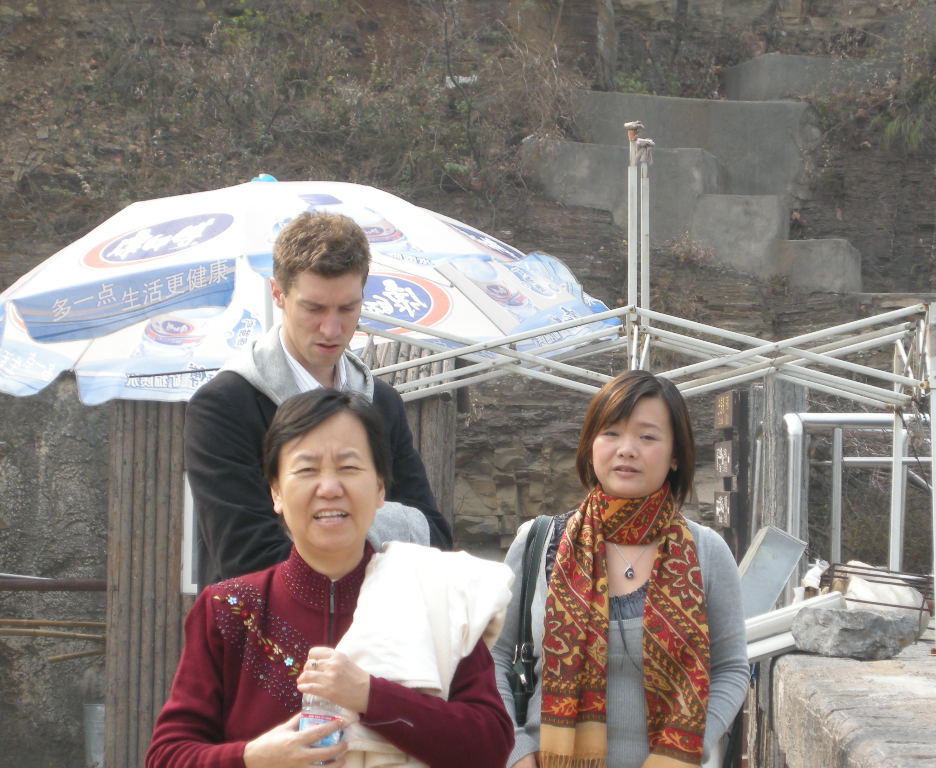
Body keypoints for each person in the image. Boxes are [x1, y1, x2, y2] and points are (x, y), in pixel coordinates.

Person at [148, 389, 513, 767]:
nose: (329, 488)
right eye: (307, 470)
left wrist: (370, 695)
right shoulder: (230, 609)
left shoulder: (436, 594)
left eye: (349, 468)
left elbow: (490, 745)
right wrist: (253, 757)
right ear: (276, 492)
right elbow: (167, 756)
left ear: (379, 489)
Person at [492, 370, 749, 768]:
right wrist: (516, 752)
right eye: (611, 433)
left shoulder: (706, 552)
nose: (626, 449)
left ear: (676, 454)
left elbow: (731, 670)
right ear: (590, 445)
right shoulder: (540, 541)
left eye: (647, 437)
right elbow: (490, 658)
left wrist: (680, 754)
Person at [185, 211, 451, 587]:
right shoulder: (224, 407)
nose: (332, 329)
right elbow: (247, 559)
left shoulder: (382, 402)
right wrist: (379, 526)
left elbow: (435, 537)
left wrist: (309, 526)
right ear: (278, 293)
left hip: (374, 640)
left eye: (347, 309)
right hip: (261, 637)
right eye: (314, 308)